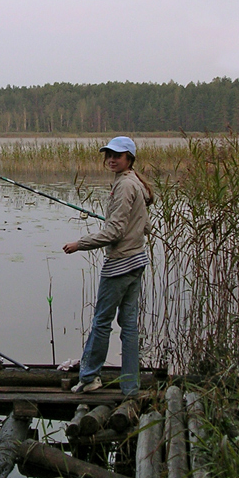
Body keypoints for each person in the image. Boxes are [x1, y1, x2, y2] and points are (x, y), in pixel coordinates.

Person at [63, 136, 153, 397]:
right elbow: (144, 225)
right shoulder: (135, 182)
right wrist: (121, 221)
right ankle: (130, 387)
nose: (112, 159)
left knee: (102, 321)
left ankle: (89, 377)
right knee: (129, 325)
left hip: (121, 264)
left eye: (118, 155)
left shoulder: (125, 185)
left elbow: (114, 232)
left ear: (129, 159)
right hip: (137, 261)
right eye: (109, 155)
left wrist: (79, 244)